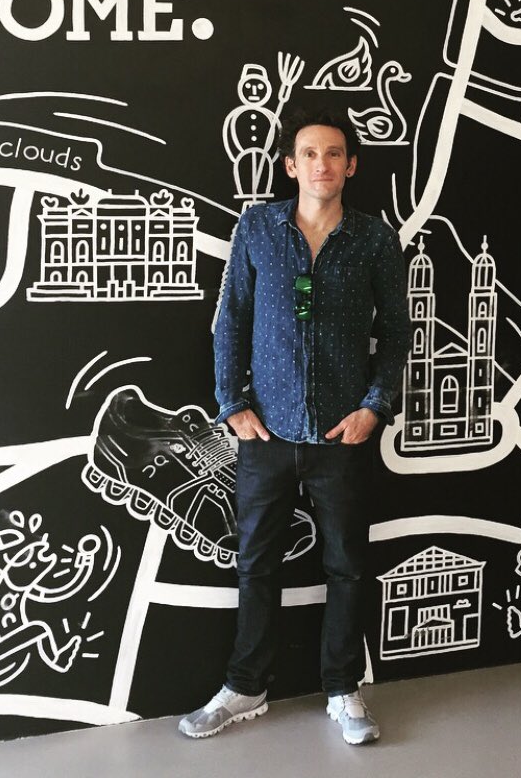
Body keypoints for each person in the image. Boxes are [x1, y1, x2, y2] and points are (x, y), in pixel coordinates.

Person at [179, 110, 410, 744]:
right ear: (290, 165)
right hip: (268, 435)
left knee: (348, 568)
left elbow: (395, 333)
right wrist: (231, 403)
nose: (321, 164)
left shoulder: (373, 239)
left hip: (343, 436)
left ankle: (343, 689)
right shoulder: (257, 228)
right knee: (256, 565)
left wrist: (374, 407)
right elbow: (231, 319)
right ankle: (246, 686)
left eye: (334, 154)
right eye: (309, 153)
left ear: (351, 165)